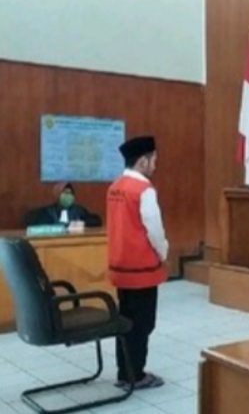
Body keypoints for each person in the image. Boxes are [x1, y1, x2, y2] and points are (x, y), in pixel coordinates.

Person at [107, 136, 168, 390]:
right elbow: (154, 230)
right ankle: (136, 375)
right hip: (141, 270)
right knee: (142, 324)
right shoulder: (144, 190)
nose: (155, 165)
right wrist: (163, 252)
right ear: (143, 161)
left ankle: (124, 372)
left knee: (125, 321)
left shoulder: (115, 187)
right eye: (153, 160)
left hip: (120, 267)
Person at [24, 182, 102, 227]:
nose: (68, 196)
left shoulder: (78, 211)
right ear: (58, 195)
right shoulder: (48, 212)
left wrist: (81, 223)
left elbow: (96, 221)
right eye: (65, 193)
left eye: (70, 193)